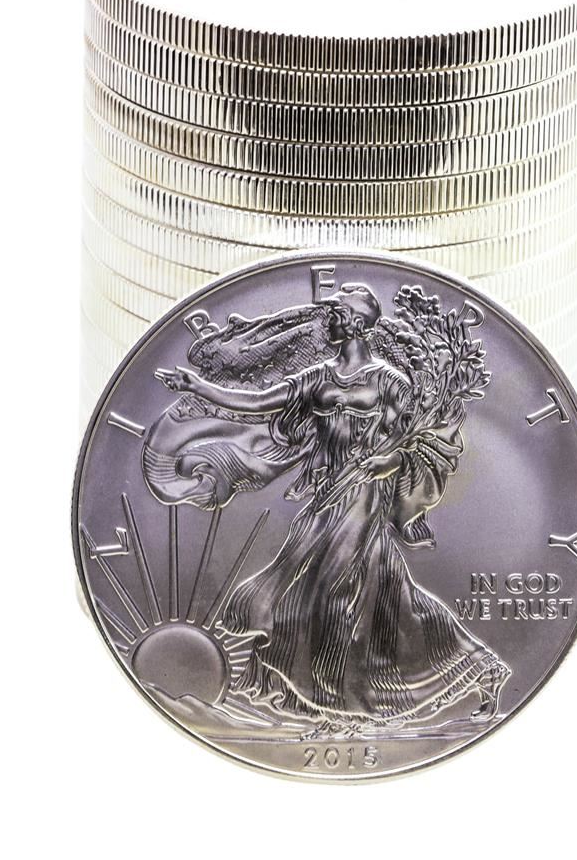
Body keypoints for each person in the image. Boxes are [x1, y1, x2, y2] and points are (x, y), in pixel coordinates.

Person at [155, 284, 509, 733]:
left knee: (334, 594)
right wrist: (198, 386)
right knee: (370, 597)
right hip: (327, 496)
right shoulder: (318, 377)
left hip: (364, 495)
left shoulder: (388, 382)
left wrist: (389, 461)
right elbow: (260, 403)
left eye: (338, 313)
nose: (331, 319)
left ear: (358, 323)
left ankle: (347, 707)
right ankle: (474, 669)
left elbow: (420, 439)